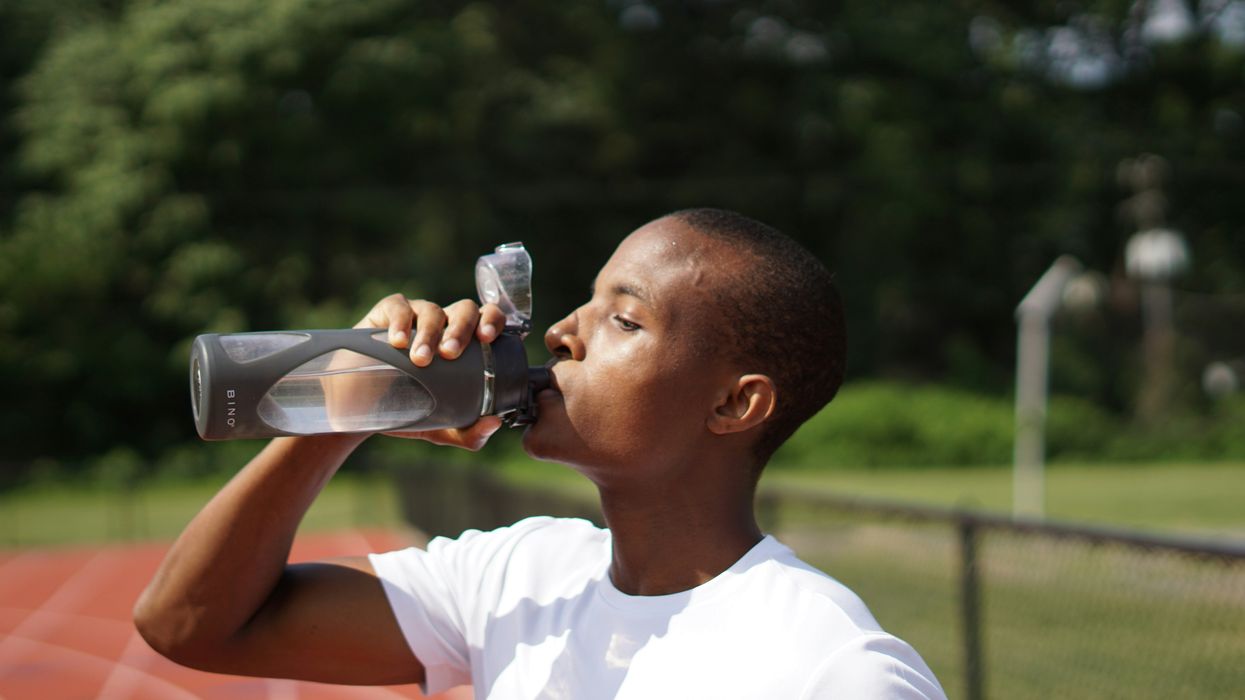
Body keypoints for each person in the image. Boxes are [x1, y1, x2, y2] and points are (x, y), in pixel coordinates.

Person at [135, 208, 946, 698]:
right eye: (585, 302)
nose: (560, 332)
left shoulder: (831, 667)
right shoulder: (521, 576)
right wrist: (350, 399)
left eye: (623, 320)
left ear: (735, 404)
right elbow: (190, 624)